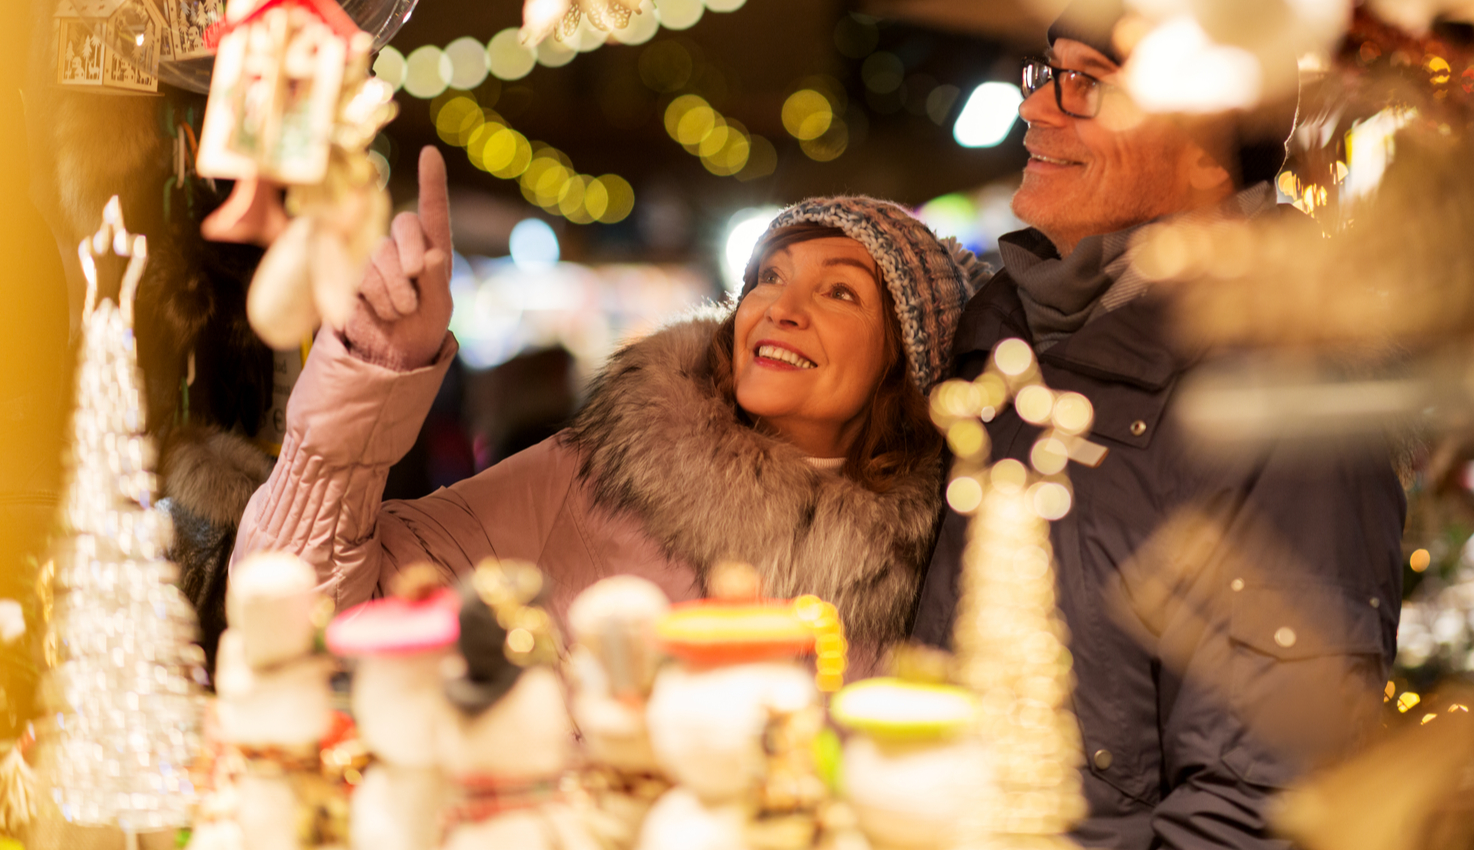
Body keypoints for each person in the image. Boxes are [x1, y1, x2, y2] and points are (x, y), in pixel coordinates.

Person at [911, 18, 1406, 849]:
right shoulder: (1002, 335)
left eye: (1089, 82)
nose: (1035, 106)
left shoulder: (1286, 379)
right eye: (1046, 72)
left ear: (1211, 150)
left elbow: (1266, 796)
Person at [230, 148, 981, 659]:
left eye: (840, 290)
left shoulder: (937, 562)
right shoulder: (597, 476)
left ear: (906, 360)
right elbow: (301, 607)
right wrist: (372, 370)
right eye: (769, 277)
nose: (780, 307)